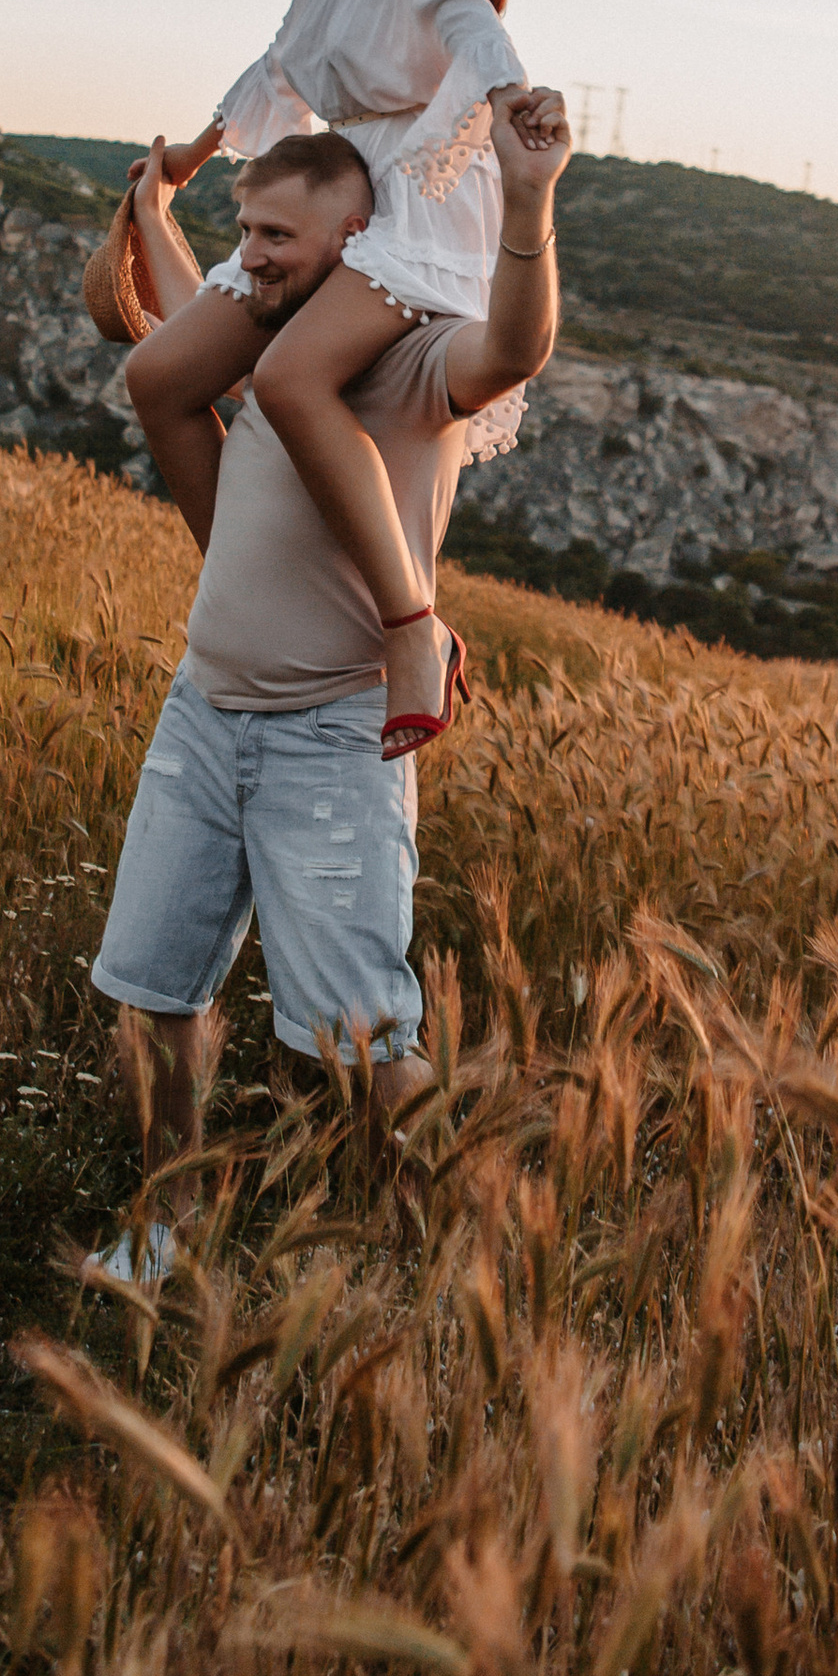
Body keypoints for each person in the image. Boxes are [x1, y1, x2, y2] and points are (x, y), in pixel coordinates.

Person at [87, 82, 571, 1275]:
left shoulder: (411, 370)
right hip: (203, 712)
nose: (245, 262)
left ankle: (463, 1254)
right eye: (244, 237)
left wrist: (526, 199)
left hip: (329, 738)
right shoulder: (260, 335)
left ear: (356, 250)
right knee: (152, 995)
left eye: (272, 242)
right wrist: (157, 207)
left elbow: (514, 347)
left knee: (354, 1040)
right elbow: (188, 322)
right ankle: (165, 1224)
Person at [123, 0, 529, 757]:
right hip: (340, 183)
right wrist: (188, 155)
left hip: (423, 190)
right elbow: (281, 66)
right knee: (161, 375)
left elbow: (475, 35)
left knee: (293, 376)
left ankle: (408, 629)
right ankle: (249, 586)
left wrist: (517, 110)